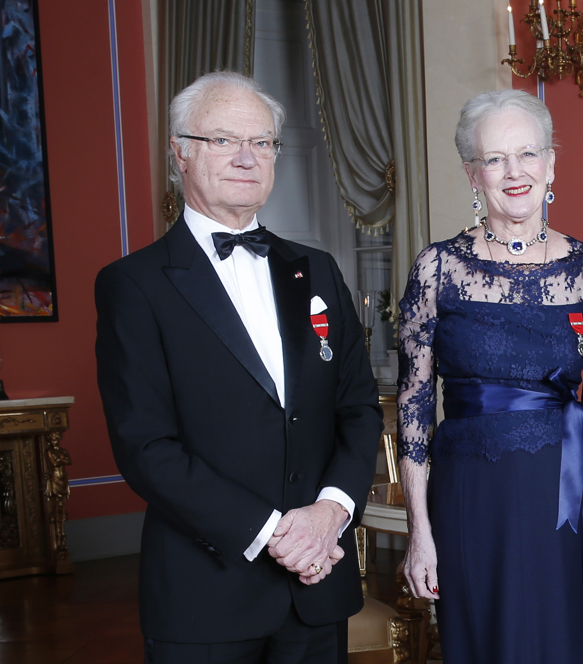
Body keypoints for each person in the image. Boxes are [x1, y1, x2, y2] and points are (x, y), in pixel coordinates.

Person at [95, 71, 382, 664]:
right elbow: (146, 447)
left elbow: (356, 407)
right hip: (206, 593)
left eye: (263, 142)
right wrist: (276, 533)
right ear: (180, 153)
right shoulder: (134, 285)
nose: (248, 157)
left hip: (316, 583)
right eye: (224, 140)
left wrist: (331, 511)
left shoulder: (318, 269)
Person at [396, 89, 583, 664]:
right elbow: (414, 416)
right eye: (495, 158)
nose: (514, 171)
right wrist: (420, 532)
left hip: (566, 503)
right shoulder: (438, 268)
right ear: (473, 174)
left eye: (528, 154)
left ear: (551, 163)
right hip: (474, 503)